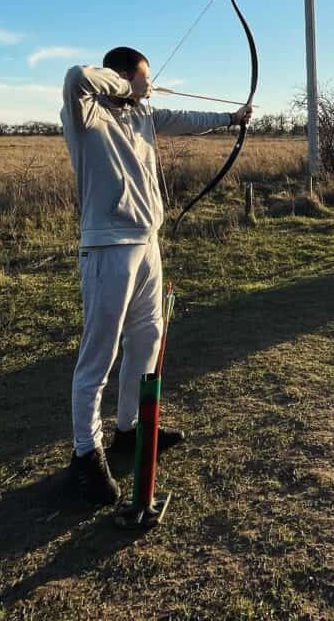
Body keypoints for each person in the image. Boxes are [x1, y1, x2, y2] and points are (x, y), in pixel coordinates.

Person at [60, 46, 253, 505]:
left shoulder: (142, 116)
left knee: (147, 338)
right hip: (108, 246)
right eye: (143, 78)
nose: (149, 86)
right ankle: (85, 454)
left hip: (147, 241)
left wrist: (231, 119)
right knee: (99, 352)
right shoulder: (86, 113)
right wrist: (128, 86)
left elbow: (183, 116)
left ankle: (130, 428)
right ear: (123, 76)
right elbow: (75, 76)